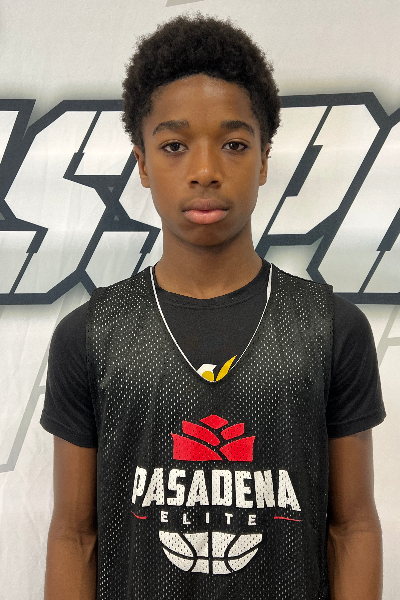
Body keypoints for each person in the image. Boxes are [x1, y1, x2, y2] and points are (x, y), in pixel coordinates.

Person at [41, 13, 385, 600]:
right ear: (142, 163)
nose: (205, 171)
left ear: (265, 159)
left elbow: (352, 528)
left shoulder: (330, 328)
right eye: (174, 146)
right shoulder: (90, 334)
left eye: (233, 145)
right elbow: (75, 536)